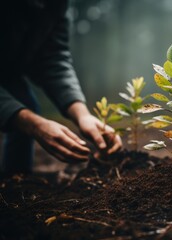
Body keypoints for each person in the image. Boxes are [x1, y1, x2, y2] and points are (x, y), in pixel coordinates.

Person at [0, 0, 122, 175]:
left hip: (8, 74)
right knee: (22, 115)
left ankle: (15, 187)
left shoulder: (54, 5)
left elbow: (52, 58)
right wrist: (33, 124)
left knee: (26, 107)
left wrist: (82, 115)